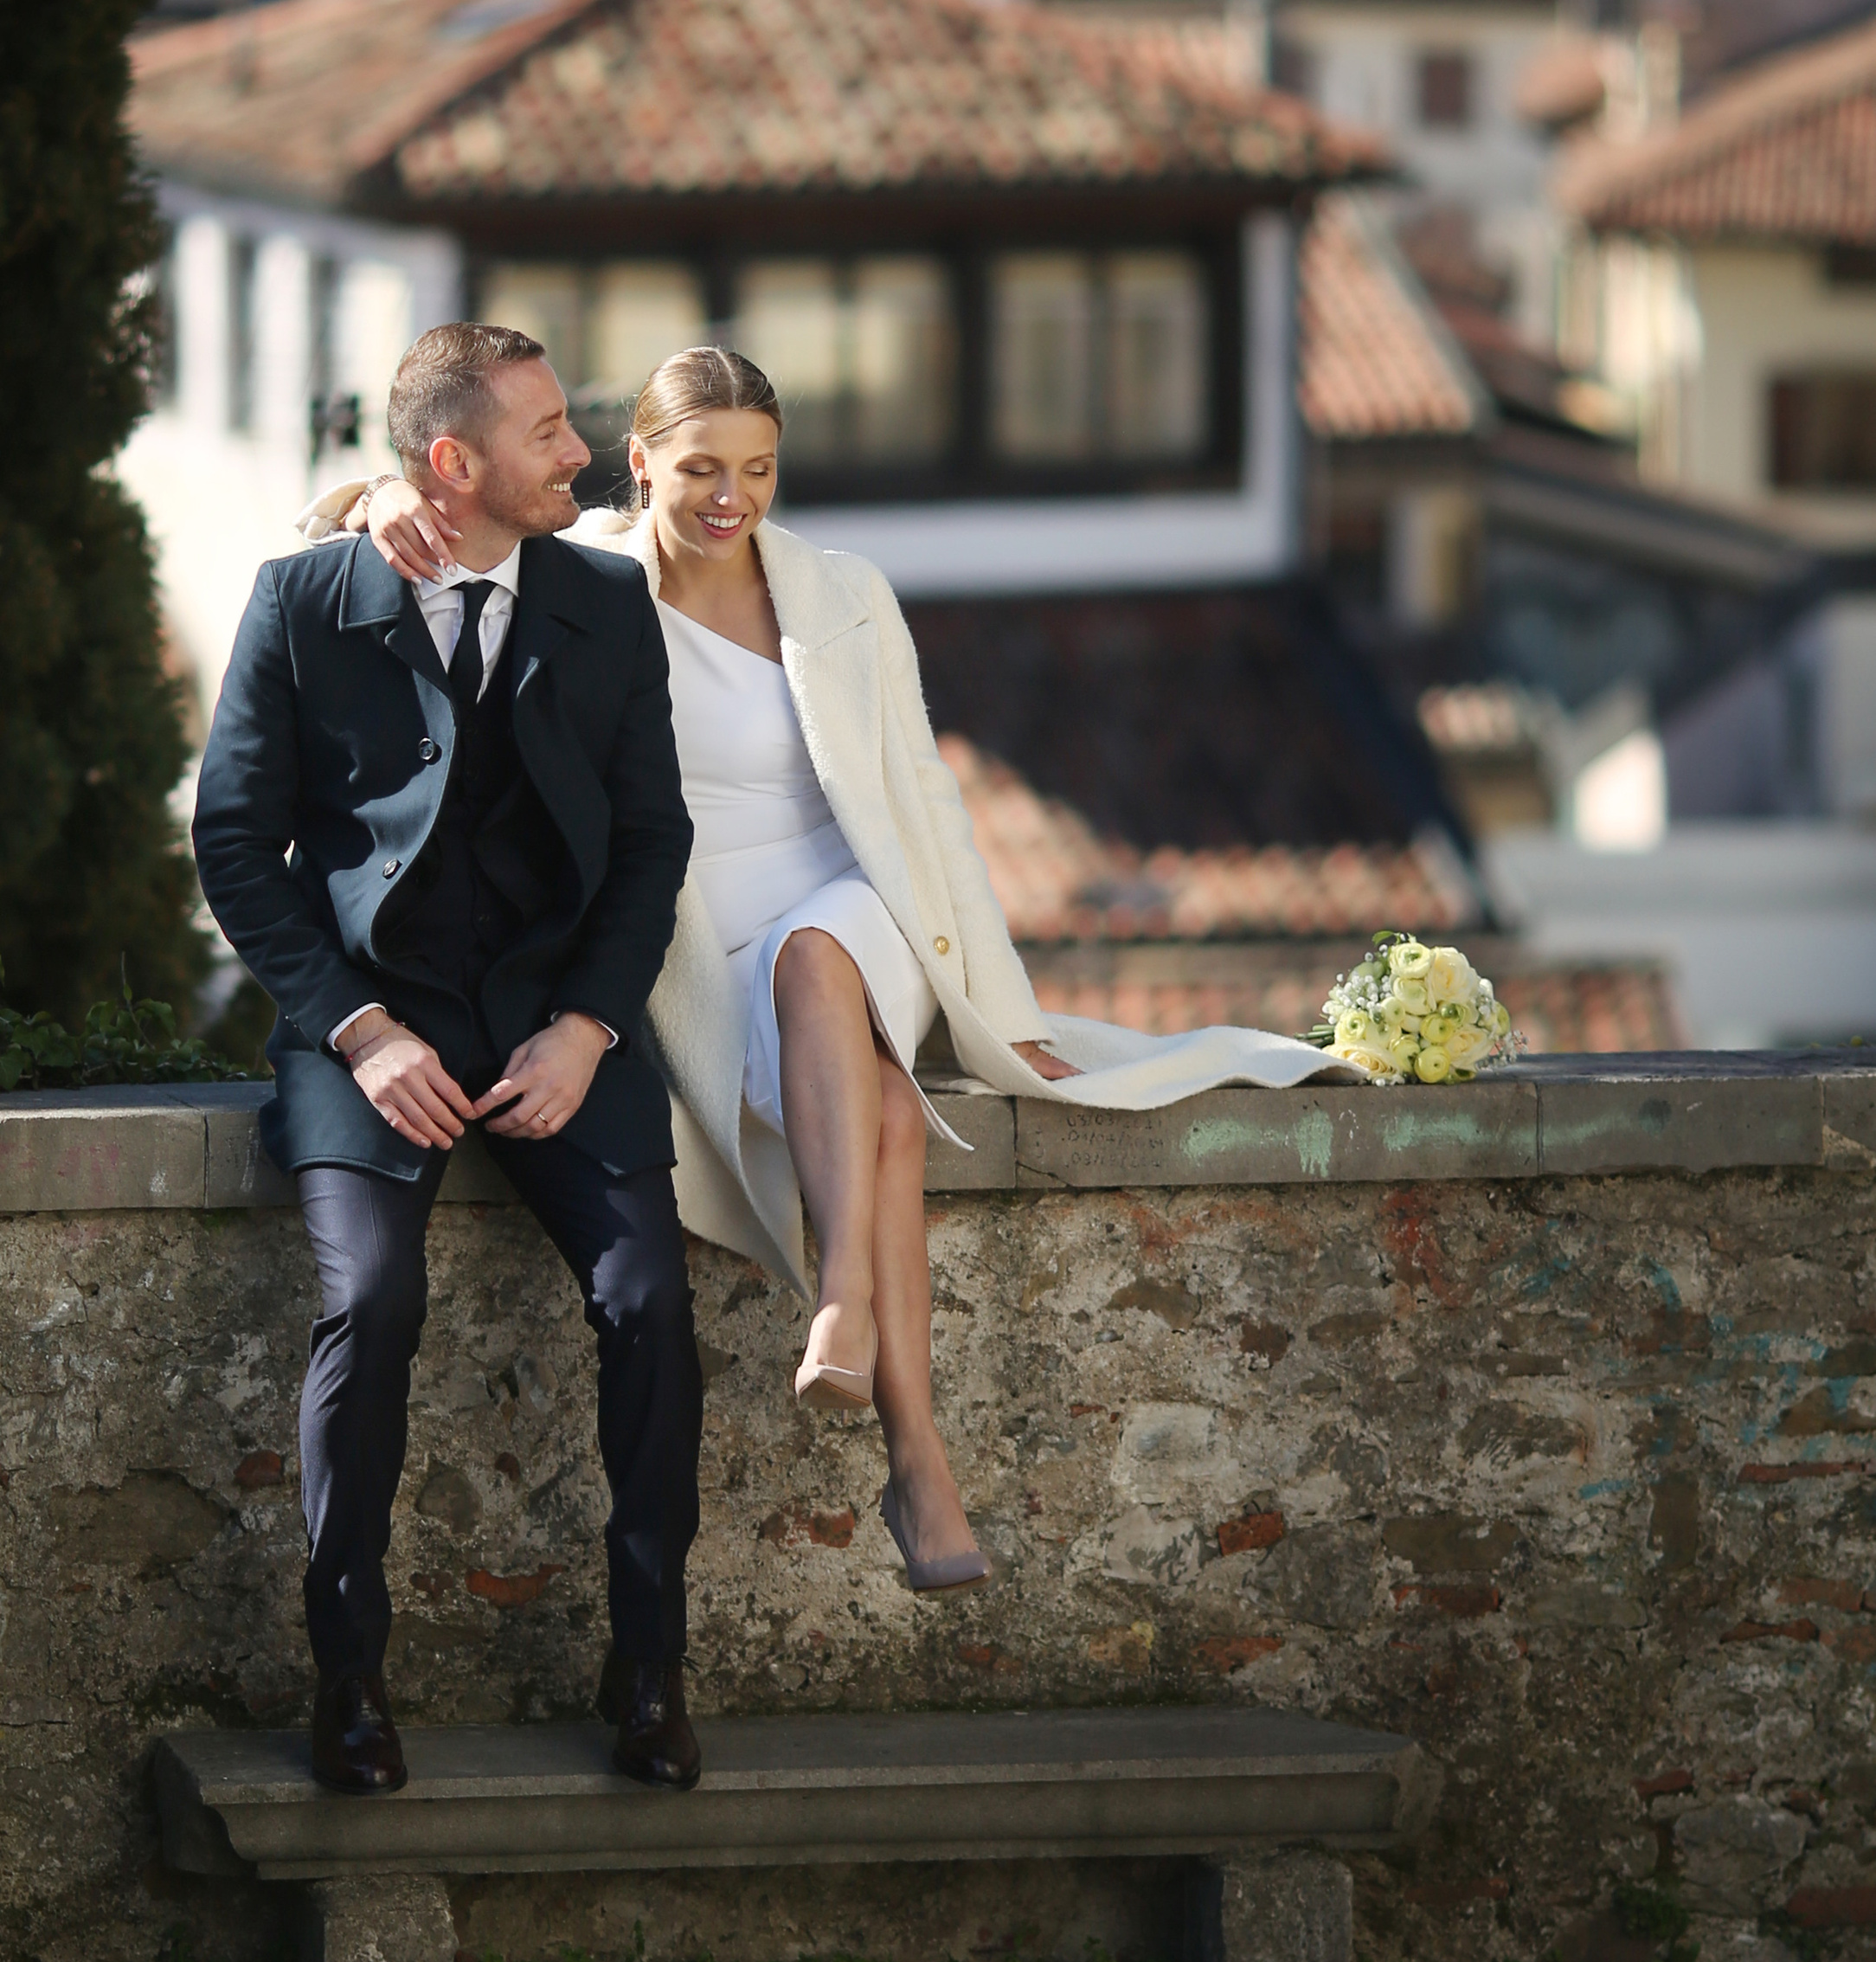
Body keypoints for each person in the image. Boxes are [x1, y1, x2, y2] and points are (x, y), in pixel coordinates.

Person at [321, 343, 1354, 1599]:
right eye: (701, 469)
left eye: (759, 469)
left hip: (859, 903)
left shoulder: (844, 590)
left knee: (821, 957)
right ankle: (918, 1462)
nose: (732, 497)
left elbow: (926, 800)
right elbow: (395, 528)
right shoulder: (579, 576)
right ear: (638, 463)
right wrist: (381, 497)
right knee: (885, 1117)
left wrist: (1002, 1005)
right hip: (702, 928)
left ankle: (841, 1307)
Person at [194, 324, 705, 1799]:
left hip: (560, 1026)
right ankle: (348, 1678)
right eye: (548, 433)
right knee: (370, 1302)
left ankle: (650, 1665)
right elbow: (235, 841)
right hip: (369, 1026)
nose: (582, 454)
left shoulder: (605, 599)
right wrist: (358, 1031)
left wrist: (588, 1027)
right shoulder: (303, 601)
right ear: (451, 462)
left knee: (651, 1302)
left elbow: (652, 839)